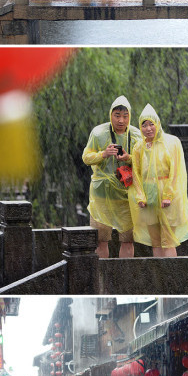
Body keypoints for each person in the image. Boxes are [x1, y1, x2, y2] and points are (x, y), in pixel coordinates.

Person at [130, 105, 188, 259]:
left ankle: (170, 277)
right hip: (149, 196)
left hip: (169, 196)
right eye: (144, 125)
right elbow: (136, 173)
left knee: (168, 240)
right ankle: (158, 278)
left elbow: (176, 171)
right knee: (156, 241)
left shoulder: (172, 142)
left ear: (158, 123)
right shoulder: (139, 147)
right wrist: (140, 196)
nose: (148, 129)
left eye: (151, 124)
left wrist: (168, 194)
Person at [82, 95, 139, 261]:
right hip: (102, 195)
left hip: (126, 193)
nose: (121, 120)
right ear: (110, 115)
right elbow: (86, 157)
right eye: (117, 115)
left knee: (128, 240)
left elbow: (146, 163)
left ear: (130, 116)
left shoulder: (136, 135)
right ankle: (101, 278)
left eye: (125, 116)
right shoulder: (98, 133)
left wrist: (128, 158)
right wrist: (103, 154)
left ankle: (125, 278)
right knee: (101, 239)